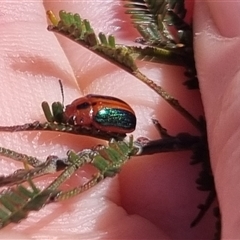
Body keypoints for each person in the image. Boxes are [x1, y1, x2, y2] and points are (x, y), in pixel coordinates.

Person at [0, 1, 236, 239]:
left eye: (74, 115)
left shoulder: (96, 113)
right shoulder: (89, 104)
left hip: (125, 119)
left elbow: (106, 122)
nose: (71, 116)